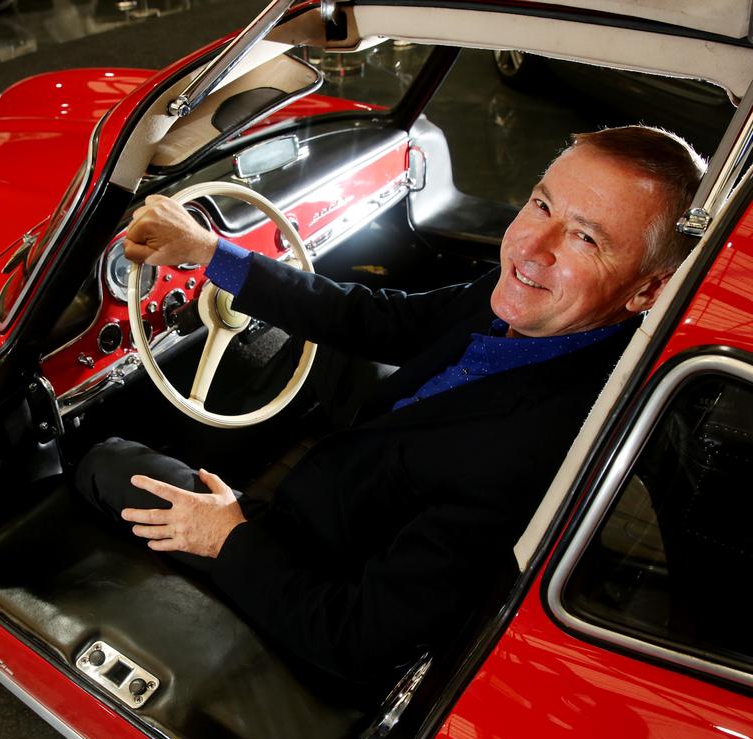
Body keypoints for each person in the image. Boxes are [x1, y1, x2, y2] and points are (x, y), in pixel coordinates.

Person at [75, 126, 706, 687]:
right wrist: (211, 255)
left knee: (106, 461)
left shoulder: (533, 453)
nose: (528, 248)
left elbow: (358, 642)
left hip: (311, 572)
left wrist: (227, 537)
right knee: (336, 348)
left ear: (648, 288)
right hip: (364, 492)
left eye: (586, 239)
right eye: (541, 203)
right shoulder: (533, 302)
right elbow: (376, 319)